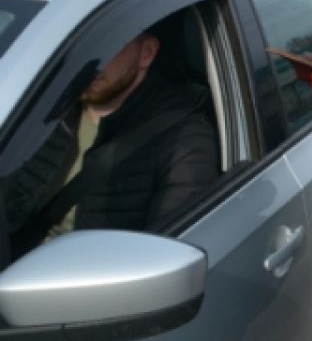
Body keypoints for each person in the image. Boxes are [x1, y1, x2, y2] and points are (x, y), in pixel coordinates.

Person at [6, 26, 219, 254]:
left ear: (146, 53)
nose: (92, 59)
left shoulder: (183, 139)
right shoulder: (37, 113)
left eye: (108, 44)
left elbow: (167, 258)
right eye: (83, 46)